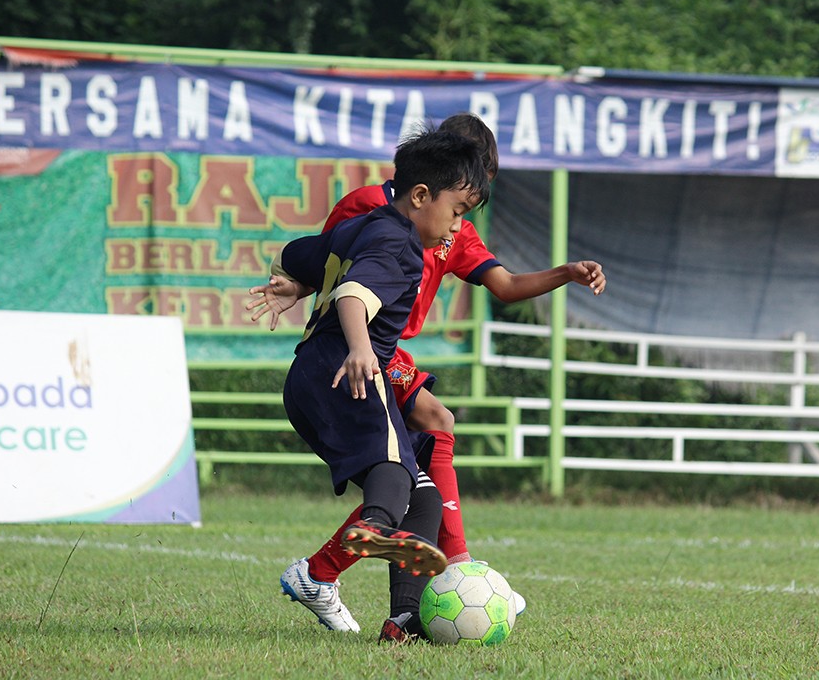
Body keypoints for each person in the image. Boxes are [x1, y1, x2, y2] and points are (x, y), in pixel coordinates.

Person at [250, 112, 606, 625]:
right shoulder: (380, 216)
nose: (464, 216)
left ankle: (401, 614)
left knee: (422, 486)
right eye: (463, 199)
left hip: (368, 352)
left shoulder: (445, 227)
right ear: (432, 184)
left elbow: (502, 285)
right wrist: (324, 307)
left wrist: (566, 273)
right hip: (363, 354)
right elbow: (348, 279)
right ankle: (428, 559)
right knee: (416, 454)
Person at [271, 127, 491, 644]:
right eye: (457, 211)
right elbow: (353, 293)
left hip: (309, 379)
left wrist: (293, 284)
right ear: (420, 197)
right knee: (392, 476)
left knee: (423, 495)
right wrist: (362, 348)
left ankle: (405, 620)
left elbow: (300, 252)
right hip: (346, 374)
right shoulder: (400, 245)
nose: (458, 225)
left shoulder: (365, 226)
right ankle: (370, 532)